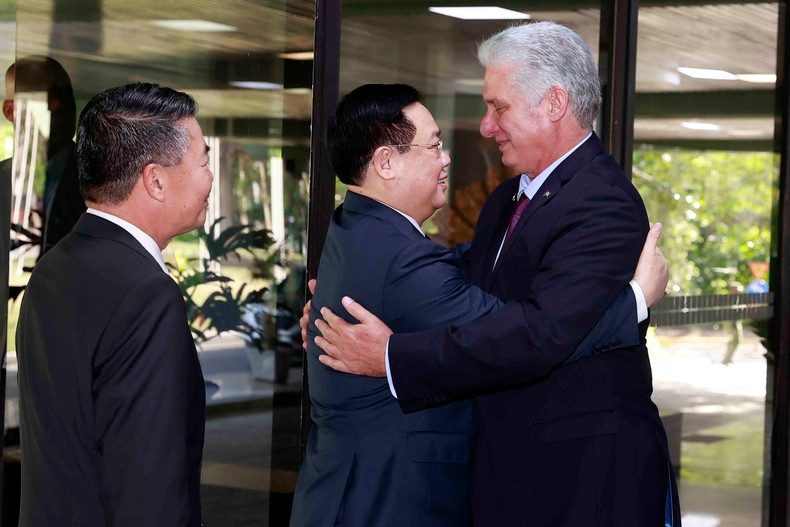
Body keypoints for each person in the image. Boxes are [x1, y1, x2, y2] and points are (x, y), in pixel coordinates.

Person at [313, 22, 680, 526]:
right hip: (512, 475)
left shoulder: (602, 201)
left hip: (582, 483)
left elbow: (541, 333)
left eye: (498, 107)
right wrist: (363, 295)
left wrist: (391, 356)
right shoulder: (507, 199)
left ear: (553, 103)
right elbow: (463, 279)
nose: (486, 127)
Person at [16, 82, 210, 526]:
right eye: (203, 161)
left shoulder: (54, 267)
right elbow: (150, 484)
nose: (209, 177)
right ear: (155, 180)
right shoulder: (146, 294)